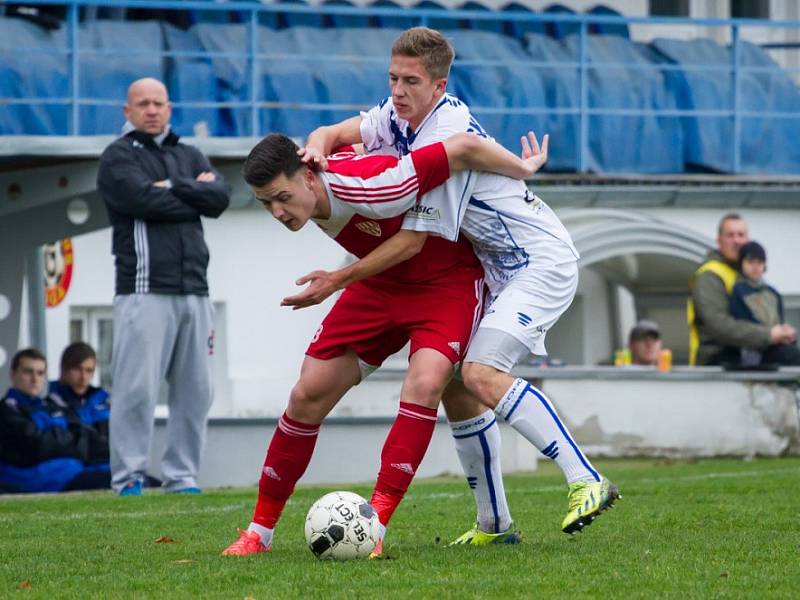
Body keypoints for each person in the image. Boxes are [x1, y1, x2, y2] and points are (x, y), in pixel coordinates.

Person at [294, 27, 618, 538]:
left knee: (482, 375)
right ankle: (495, 524)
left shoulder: (444, 139)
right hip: (498, 265)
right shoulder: (397, 113)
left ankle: (587, 478)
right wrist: (315, 147)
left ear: (439, 86)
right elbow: (335, 132)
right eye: (393, 78)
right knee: (454, 386)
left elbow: (415, 238)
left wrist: (338, 278)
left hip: (538, 262)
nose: (398, 91)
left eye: (411, 82)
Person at [222, 130, 545, 557]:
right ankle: (258, 533)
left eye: (282, 197)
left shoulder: (374, 179)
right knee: (307, 394)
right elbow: (336, 136)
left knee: (425, 384)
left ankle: (373, 527)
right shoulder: (313, 181)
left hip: (445, 283)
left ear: (309, 178)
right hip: (378, 284)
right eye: (266, 204)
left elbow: (448, 169)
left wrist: (521, 168)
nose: (278, 211)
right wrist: (326, 137)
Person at [97, 78, 230, 496]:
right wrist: (195, 191)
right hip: (143, 287)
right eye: (143, 104)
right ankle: (128, 477)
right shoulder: (118, 156)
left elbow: (220, 198)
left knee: (196, 391)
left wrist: (172, 186)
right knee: (136, 388)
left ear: (169, 108)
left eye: (158, 103)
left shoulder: (188, 152)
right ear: (128, 111)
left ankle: (182, 477)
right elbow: (139, 200)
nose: (151, 110)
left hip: (195, 289)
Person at [688, 213, 796, 366]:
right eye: (730, 235)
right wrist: (769, 334)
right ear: (719, 241)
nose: (736, 241)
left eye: (741, 235)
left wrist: (783, 333)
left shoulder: (748, 276)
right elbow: (719, 326)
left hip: (749, 355)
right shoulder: (709, 276)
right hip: (718, 360)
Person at [0, 349, 95, 493]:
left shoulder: (50, 406)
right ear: (13, 374)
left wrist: (51, 436)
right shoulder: (5, 410)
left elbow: (83, 438)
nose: (35, 379)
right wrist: (65, 437)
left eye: (40, 373)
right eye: (28, 372)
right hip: (36, 481)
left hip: (71, 473)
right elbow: (35, 446)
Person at [725, 242, 799, 366]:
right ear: (741, 263)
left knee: (792, 352)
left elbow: (779, 322)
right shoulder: (737, 290)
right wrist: (773, 333)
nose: (755, 267)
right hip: (751, 352)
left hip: (774, 348)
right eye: (750, 262)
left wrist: (786, 334)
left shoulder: (773, 294)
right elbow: (742, 324)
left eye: (759, 262)